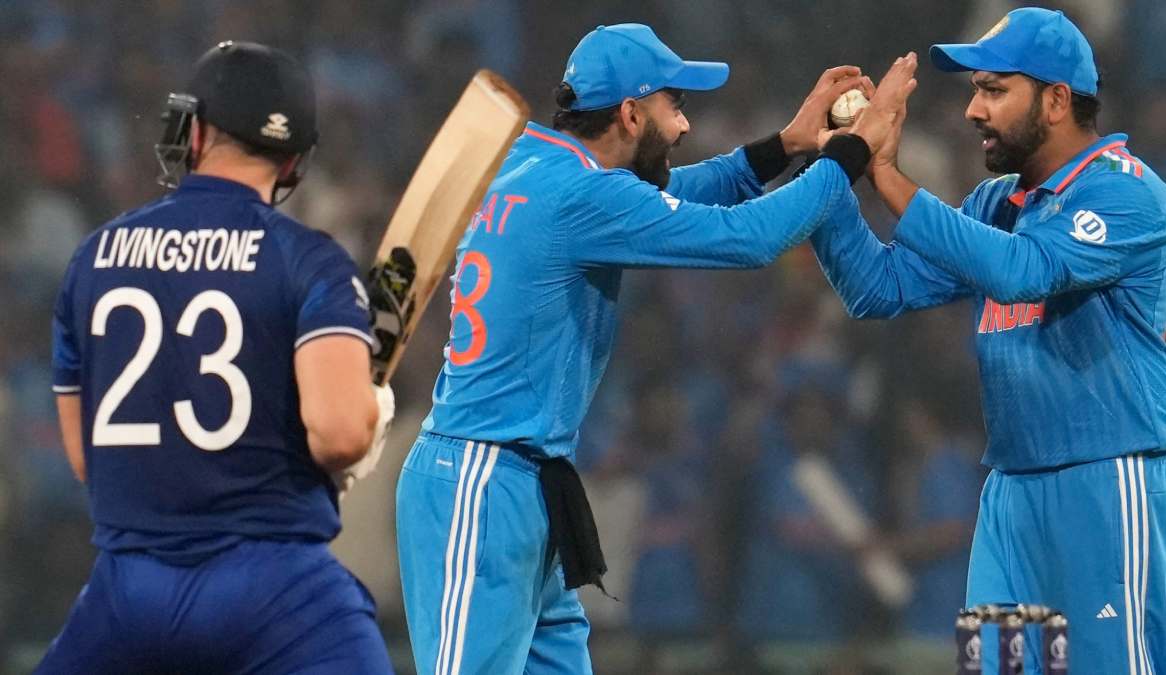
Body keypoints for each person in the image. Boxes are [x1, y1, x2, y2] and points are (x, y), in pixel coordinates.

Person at [394, 22, 917, 675]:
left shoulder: (538, 163)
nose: (685, 125)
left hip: (522, 482)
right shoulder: (582, 194)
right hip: (483, 481)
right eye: (675, 105)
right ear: (630, 113)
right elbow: (747, 239)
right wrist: (848, 153)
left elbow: (671, 198)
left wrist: (785, 146)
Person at [809, 8, 1166, 673]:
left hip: (1110, 482)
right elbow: (878, 288)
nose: (972, 110)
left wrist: (888, 173)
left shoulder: (1126, 191)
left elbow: (1024, 272)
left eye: (993, 90)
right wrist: (831, 172)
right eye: (974, 91)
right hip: (1012, 496)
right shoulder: (996, 203)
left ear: (1056, 100)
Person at [40, 41, 395, 674]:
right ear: (295, 160)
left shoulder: (94, 257)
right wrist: (363, 421)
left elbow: (85, 457)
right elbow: (339, 435)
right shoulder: (309, 261)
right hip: (276, 592)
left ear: (195, 131)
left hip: (129, 595)